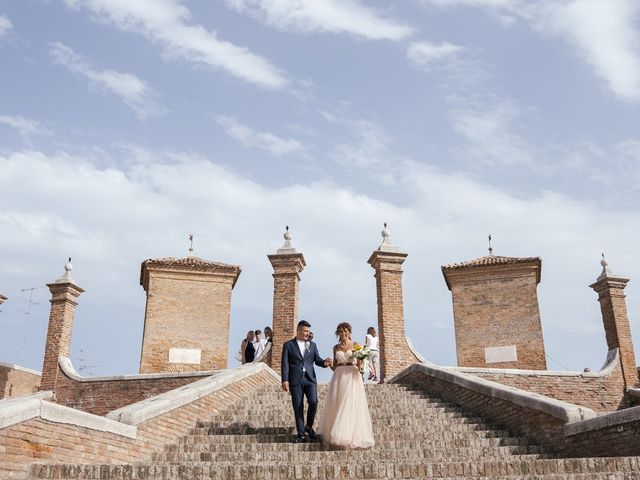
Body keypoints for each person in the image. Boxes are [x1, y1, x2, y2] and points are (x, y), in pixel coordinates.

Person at [318, 322, 375, 448]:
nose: (343, 334)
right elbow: (335, 367)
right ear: (338, 333)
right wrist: (329, 364)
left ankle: (349, 436)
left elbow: (360, 364)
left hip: (352, 375)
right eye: (340, 332)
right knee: (338, 403)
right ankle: (337, 433)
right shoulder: (335, 347)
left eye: (345, 331)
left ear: (349, 332)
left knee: (349, 404)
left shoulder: (355, 345)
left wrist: (361, 359)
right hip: (338, 376)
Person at [281, 320, 332, 443]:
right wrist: (285, 379)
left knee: (313, 402)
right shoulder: (288, 345)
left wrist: (324, 363)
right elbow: (284, 363)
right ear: (298, 330)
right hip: (295, 379)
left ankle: (309, 426)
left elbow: (317, 360)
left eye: (308, 331)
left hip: (310, 379)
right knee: (298, 406)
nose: (307, 333)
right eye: (305, 331)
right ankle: (301, 434)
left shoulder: (312, 345)